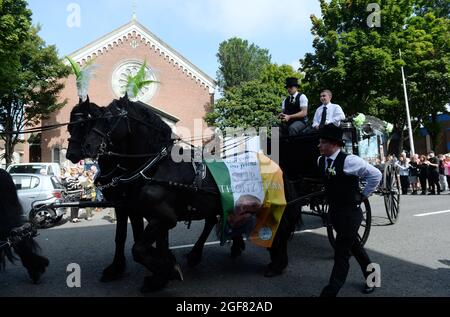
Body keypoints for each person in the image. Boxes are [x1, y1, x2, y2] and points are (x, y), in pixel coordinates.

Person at [317, 124, 382, 297]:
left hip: (350, 214)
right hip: (335, 213)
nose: (319, 145)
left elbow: (375, 174)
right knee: (356, 247)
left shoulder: (349, 160)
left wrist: (363, 195)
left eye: (323, 142)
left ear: (334, 144)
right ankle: (373, 277)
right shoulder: (321, 160)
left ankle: (330, 292)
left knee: (341, 254)